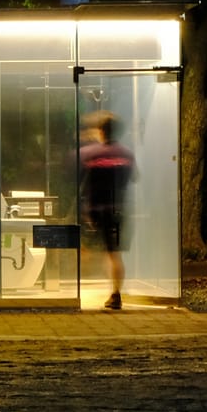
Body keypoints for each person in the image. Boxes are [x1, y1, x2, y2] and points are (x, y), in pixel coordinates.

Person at [79, 111, 136, 309]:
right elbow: (135, 177)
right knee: (113, 253)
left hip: (96, 210)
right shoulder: (127, 153)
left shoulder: (91, 153)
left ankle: (108, 292)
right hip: (119, 208)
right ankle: (115, 292)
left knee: (94, 250)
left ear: (101, 131)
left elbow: (77, 173)